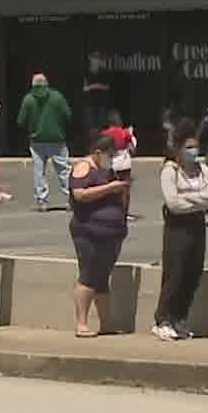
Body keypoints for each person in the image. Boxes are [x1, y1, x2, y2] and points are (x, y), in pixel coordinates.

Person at [155, 121, 208, 341]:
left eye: (195, 147)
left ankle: (179, 318)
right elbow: (173, 203)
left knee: (193, 272)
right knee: (175, 272)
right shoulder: (170, 171)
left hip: (197, 225)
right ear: (178, 149)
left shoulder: (204, 170)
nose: (193, 151)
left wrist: (189, 198)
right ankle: (163, 319)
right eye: (188, 147)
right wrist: (197, 200)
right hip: (177, 227)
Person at [67, 133, 129, 338]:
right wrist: (109, 188)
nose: (111, 158)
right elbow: (80, 194)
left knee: (102, 278)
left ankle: (106, 323)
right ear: (97, 152)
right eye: (109, 154)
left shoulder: (109, 170)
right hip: (88, 231)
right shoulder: (83, 167)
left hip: (112, 232)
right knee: (88, 274)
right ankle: (81, 323)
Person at [18, 72, 73, 211]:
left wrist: (31, 128)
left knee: (39, 171)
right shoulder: (57, 97)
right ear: (47, 83)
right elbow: (68, 115)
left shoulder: (28, 99)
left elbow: (20, 121)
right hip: (57, 140)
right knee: (63, 171)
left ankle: (42, 201)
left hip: (37, 141)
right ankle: (71, 199)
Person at [81, 54, 112, 140]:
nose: (96, 61)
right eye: (94, 58)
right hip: (90, 103)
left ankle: (101, 146)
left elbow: (106, 87)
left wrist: (93, 86)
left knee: (101, 127)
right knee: (90, 127)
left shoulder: (104, 72)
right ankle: (91, 147)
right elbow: (85, 88)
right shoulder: (86, 72)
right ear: (90, 60)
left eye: (98, 59)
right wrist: (97, 85)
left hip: (101, 103)